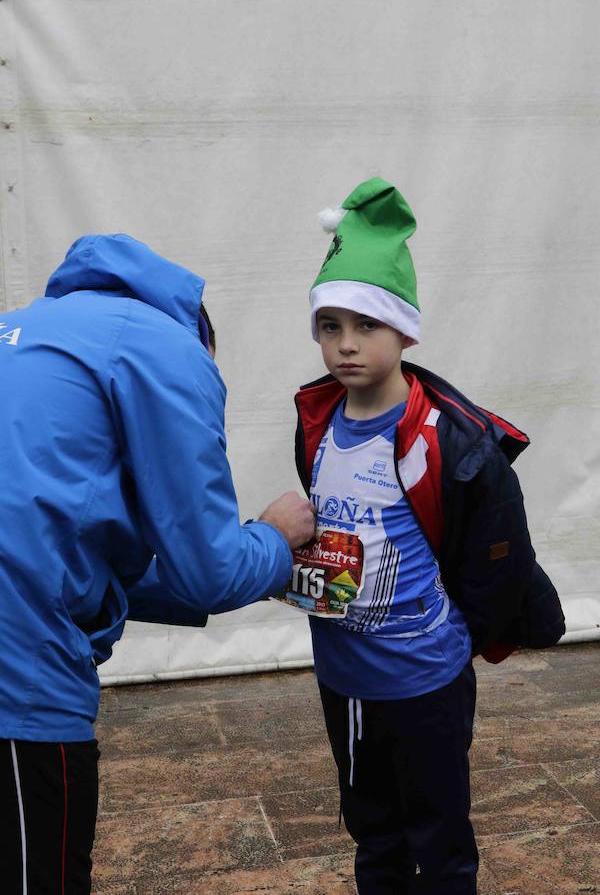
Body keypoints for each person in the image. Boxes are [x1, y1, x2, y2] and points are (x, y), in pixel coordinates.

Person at [0, 233, 315, 894]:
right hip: (18, 673)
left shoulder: (22, 327)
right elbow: (208, 569)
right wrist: (272, 541)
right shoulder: (169, 350)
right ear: (204, 340)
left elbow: (64, 538)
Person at [289, 178, 564, 894]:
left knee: (440, 837)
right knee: (373, 832)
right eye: (330, 327)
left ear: (405, 330)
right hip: (343, 678)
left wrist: (458, 638)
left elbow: (497, 552)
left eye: (366, 326)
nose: (346, 346)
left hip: (426, 678)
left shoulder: (449, 439)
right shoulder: (317, 425)